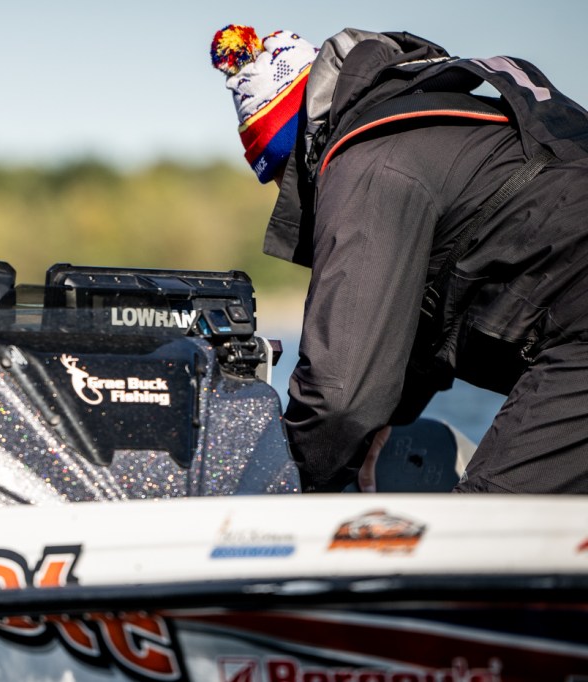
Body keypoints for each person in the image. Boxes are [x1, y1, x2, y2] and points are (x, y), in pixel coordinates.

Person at [209, 25, 588, 494]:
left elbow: (339, 397)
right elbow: (414, 317)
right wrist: (377, 426)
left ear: (295, 150)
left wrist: (280, 493)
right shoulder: (425, 121)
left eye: (280, 179)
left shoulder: (367, 163)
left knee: (484, 523)